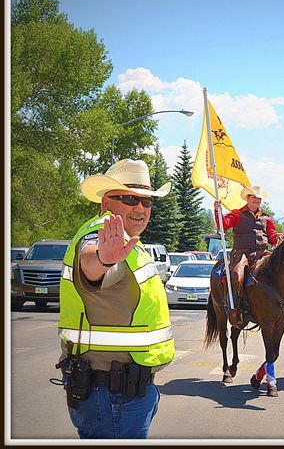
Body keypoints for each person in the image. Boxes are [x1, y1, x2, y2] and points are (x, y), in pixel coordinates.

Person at [56, 159, 175, 439]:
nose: (140, 208)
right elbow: (90, 263)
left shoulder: (130, 242)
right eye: (130, 199)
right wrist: (101, 259)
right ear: (107, 203)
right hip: (112, 396)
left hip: (122, 393)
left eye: (147, 202)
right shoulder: (100, 234)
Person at [213, 185, 283, 328]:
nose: (256, 201)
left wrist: (281, 238)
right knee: (236, 275)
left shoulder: (266, 218)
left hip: (262, 254)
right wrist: (217, 211)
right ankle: (235, 309)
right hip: (242, 253)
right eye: (254, 198)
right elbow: (223, 226)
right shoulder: (237, 214)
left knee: (281, 271)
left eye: (258, 199)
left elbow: (272, 239)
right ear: (248, 199)